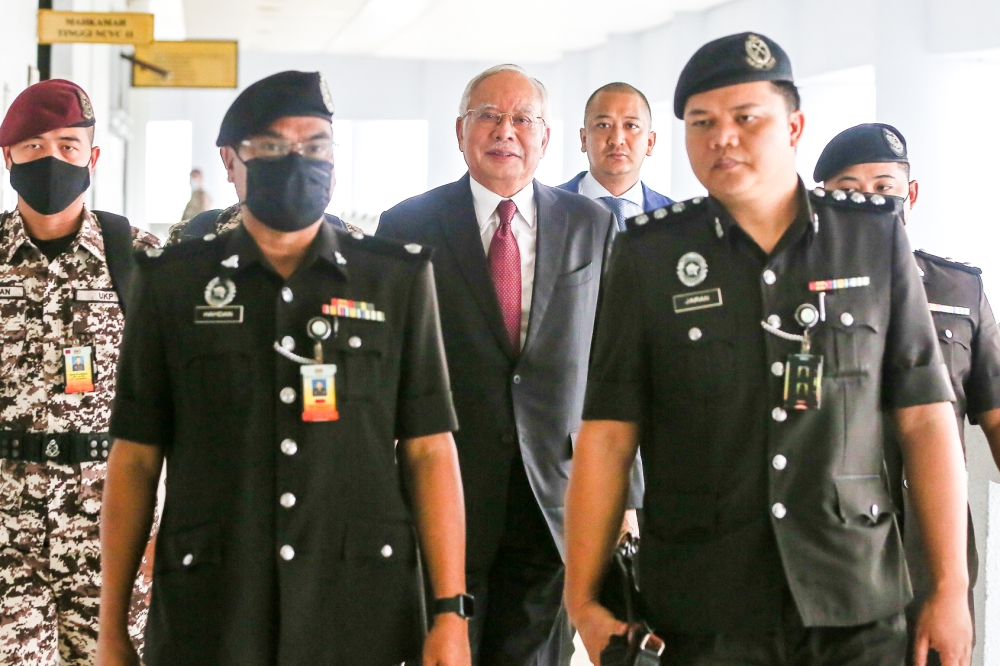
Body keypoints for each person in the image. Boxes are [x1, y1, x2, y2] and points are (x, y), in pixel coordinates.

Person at [565, 32, 974, 666]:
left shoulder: (870, 237)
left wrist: (950, 591)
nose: (721, 137)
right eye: (701, 122)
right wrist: (583, 600)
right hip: (702, 607)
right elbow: (607, 435)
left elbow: (925, 419)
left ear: (794, 126)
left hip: (855, 600)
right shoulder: (651, 254)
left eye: (745, 118)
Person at [96, 70, 471, 666]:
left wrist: (450, 614)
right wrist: (110, 625)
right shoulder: (173, 281)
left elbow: (429, 449)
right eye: (272, 147)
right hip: (213, 606)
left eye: (315, 145)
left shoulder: (394, 279)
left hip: (357, 604)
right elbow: (136, 457)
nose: (297, 161)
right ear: (230, 161)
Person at [377, 64, 642, 666]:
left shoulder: (591, 224)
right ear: (460, 131)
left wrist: (629, 494)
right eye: (489, 117)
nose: (506, 131)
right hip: (445, 485)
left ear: (546, 138)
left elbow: (617, 366)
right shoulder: (407, 226)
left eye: (523, 119)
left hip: (557, 494)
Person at [815, 122, 1000, 665]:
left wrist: (948, 588)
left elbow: (993, 411)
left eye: (885, 189)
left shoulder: (958, 290)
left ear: (910, 196)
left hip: (932, 558)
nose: (869, 202)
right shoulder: (797, 295)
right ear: (821, 198)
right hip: (831, 555)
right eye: (850, 189)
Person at [0, 79, 159, 665]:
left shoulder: (139, 257)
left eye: (69, 146)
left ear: (92, 158)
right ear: (8, 156)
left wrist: (168, 519)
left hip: (112, 525)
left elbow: (178, 399)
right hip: (5, 531)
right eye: (35, 147)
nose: (53, 159)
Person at [558, 82, 672, 229]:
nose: (617, 140)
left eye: (631, 126)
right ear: (584, 139)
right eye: (603, 125)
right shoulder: (543, 209)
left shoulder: (675, 218)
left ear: (650, 142)